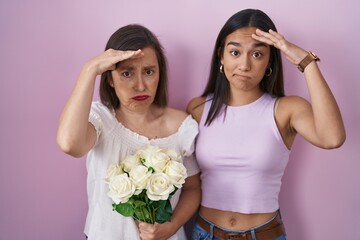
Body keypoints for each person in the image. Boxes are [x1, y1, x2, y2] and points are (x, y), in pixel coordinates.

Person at [187, 9, 346, 240]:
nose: (244, 65)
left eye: (257, 55)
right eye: (235, 52)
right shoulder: (198, 109)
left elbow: (332, 138)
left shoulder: (286, 110)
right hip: (205, 233)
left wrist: (306, 62)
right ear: (221, 56)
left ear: (270, 61)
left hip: (263, 235)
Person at [56, 24, 201, 240]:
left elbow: (192, 188)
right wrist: (89, 69)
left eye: (149, 72)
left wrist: (170, 227)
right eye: (127, 73)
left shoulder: (181, 126)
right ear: (110, 80)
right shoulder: (101, 118)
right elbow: (70, 144)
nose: (141, 85)